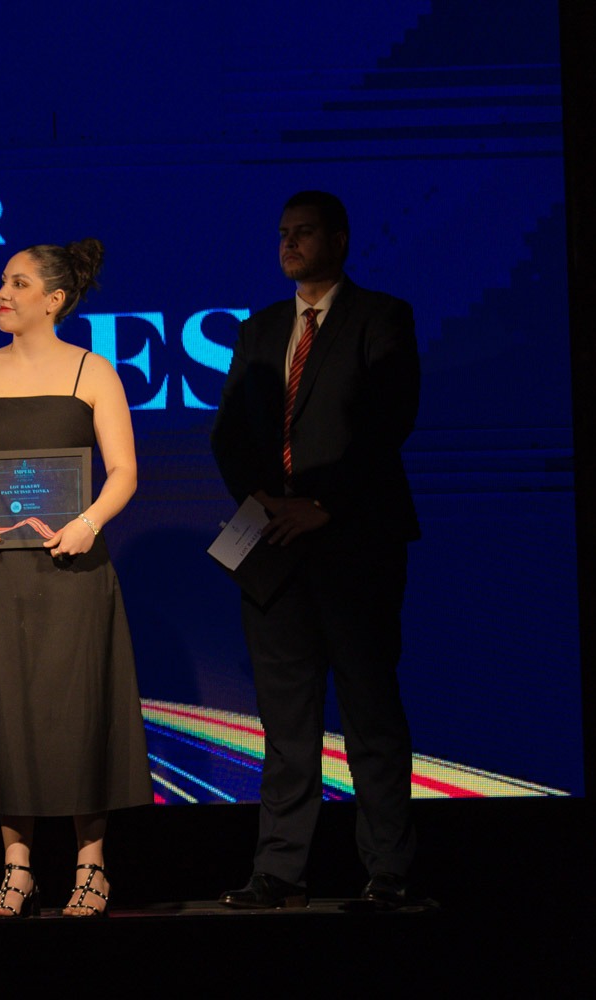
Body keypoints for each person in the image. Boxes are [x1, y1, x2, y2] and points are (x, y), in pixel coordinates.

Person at [211, 191, 420, 910]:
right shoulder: (261, 328)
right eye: (282, 234)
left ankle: (387, 870)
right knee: (285, 721)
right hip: (272, 544)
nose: (289, 244)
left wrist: (323, 505)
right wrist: (264, 498)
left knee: (370, 710)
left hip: (354, 540)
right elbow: (228, 432)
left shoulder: (381, 317)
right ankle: (278, 872)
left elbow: (388, 421)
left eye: (303, 232)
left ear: (340, 238)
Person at [0, 240, 153, 918]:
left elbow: (124, 471)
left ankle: (92, 867)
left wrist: (89, 521)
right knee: (8, 711)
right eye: (2, 282)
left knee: (80, 710)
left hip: (72, 568)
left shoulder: (93, 371)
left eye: (19, 283)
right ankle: (18, 870)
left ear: (55, 300)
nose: (2, 294)